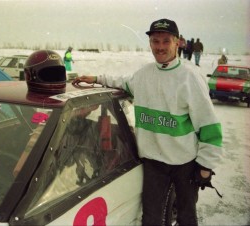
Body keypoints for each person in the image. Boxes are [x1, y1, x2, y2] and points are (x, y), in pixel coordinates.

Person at [73, 18, 223, 225]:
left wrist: (206, 165)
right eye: (155, 41)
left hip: (185, 162)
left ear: (177, 43)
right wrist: (97, 78)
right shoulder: (143, 75)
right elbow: (122, 82)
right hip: (153, 162)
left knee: (187, 216)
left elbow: (209, 125)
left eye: (165, 41)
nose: (160, 47)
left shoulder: (190, 78)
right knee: (151, 217)